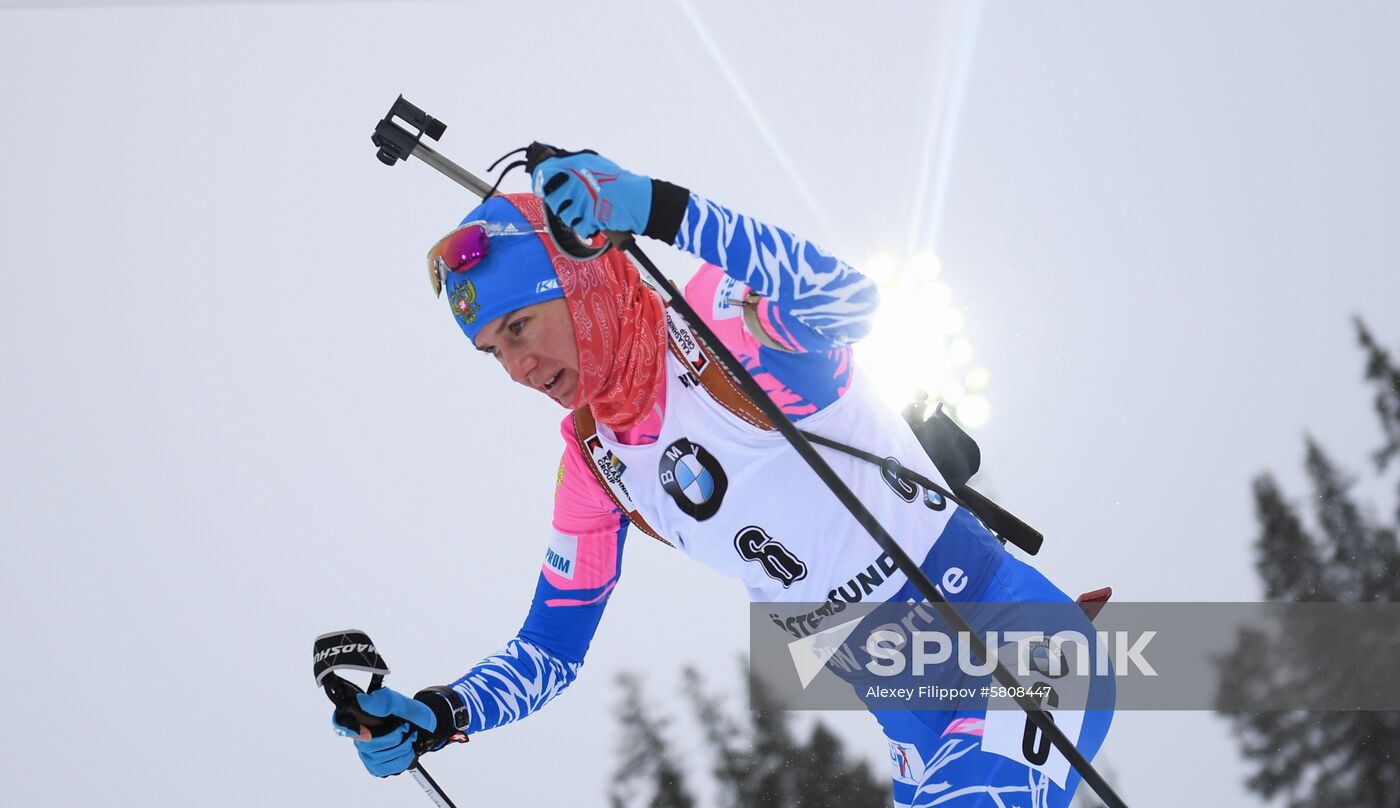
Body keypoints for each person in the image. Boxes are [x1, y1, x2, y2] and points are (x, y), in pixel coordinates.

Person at [333, 149, 1114, 807]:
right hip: (915, 729)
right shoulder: (595, 463)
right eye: (491, 352)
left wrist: (658, 209)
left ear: (578, 286)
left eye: (518, 327)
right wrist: (440, 712)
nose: (516, 369)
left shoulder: (720, 323)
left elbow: (849, 302)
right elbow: (550, 648)